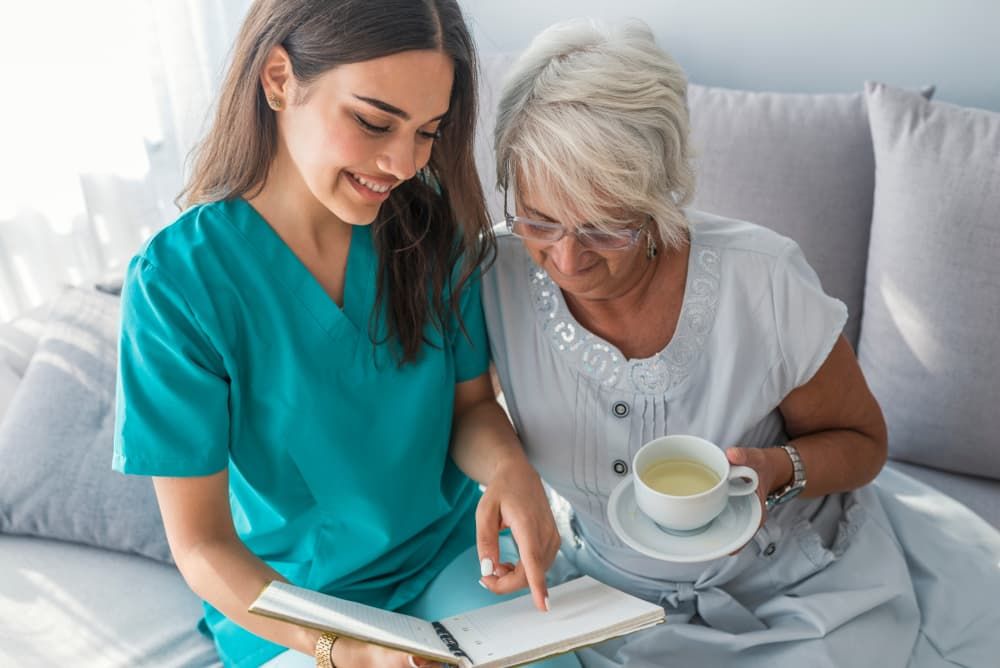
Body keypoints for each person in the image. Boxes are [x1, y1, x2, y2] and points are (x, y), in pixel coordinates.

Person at [482, 18, 1000, 666]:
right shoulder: (494, 274)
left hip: (793, 596)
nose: (566, 258)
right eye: (540, 219)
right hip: (599, 598)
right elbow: (468, 403)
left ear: (656, 196)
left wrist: (775, 471)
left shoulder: (763, 281)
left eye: (605, 226)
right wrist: (507, 469)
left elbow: (864, 445)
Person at [113, 2, 578, 667]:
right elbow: (203, 545)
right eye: (372, 121)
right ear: (279, 79)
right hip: (294, 609)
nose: (401, 162)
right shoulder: (177, 286)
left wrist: (511, 471)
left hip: (450, 566)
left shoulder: (429, 230)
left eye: (427, 131)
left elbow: (471, 408)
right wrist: (339, 649)